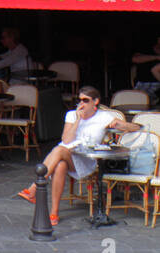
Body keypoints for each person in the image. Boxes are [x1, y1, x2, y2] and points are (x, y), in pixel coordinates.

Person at [16, 85, 138, 225]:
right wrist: (78, 120)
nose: (81, 104)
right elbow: (66, 140)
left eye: (85, 100)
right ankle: (54, 213)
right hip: (69, 154)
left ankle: (34, 188)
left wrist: (119, 125)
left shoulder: (104, 116)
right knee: (60, 165)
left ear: (95, 101)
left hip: (87, 158)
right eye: (79, 100)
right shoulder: (72, 115)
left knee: (59, 150)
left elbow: (134, 127)